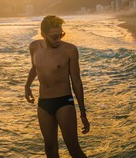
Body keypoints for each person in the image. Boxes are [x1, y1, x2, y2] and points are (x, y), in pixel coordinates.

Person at [25, 15, 90, 158]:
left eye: (61, 34)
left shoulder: (70, 50)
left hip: (64, 102)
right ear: (43, 34)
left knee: (73, 149)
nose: (58, 39)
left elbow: (76, 81)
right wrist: (27, 86)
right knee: (50, 148)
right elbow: (35, 68)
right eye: (54, 36)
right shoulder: (34, 47)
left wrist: (83, 112)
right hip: (44, 104)